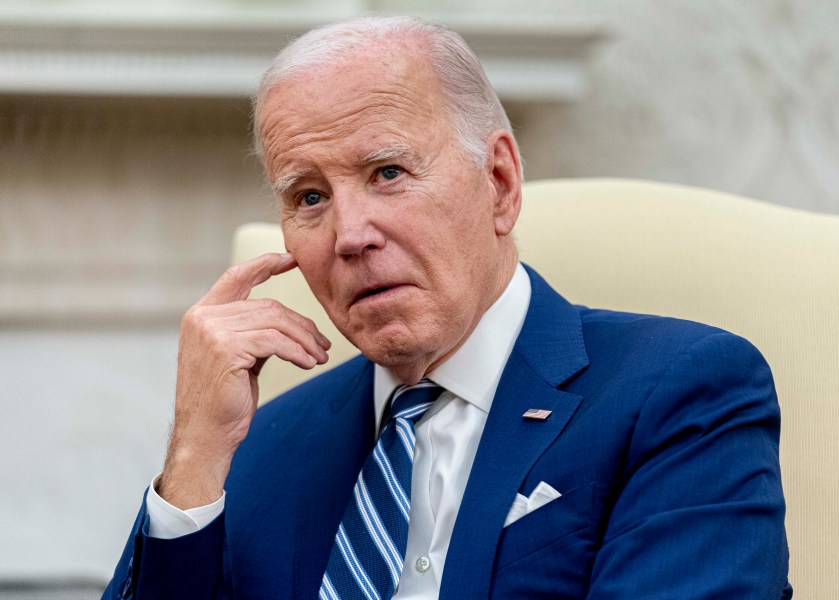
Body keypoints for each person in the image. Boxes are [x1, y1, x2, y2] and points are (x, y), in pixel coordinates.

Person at [104, 15, 791, 599]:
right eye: (309, 197)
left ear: (498, 183)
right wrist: (194, 451)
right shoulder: (259, 446)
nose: (350, 236)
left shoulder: (682, 389)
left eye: (388, 173)